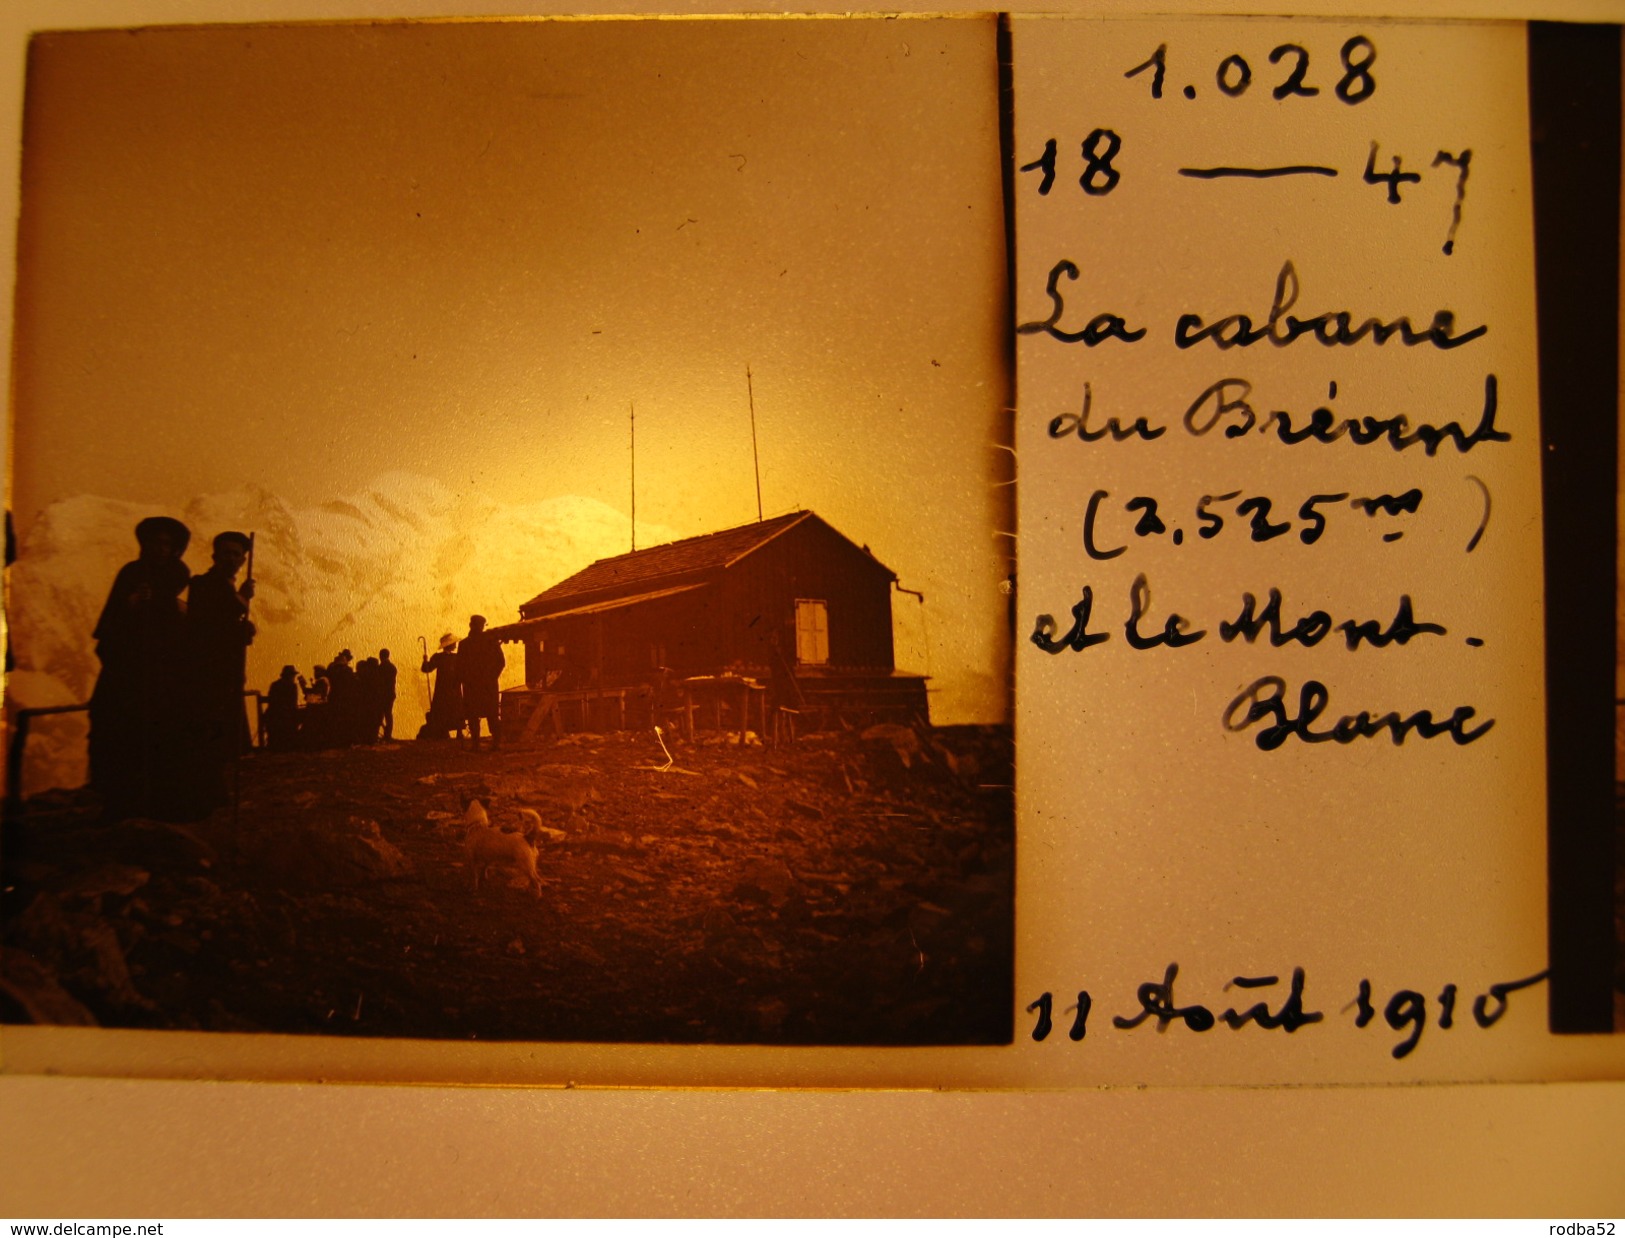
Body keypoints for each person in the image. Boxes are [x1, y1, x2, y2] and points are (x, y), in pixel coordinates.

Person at [87, 515, 192, 819]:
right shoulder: (131, 574)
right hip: (127, 674)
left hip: (162, 676)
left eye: (166, 544)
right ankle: (119, 801)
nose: (160, 549)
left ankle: (161, 800)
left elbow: (177, 626)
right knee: (120, 734)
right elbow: (111, 624)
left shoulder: (175, 579)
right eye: (155, 543)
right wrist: (130, 604)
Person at [186, 530, 256, 813]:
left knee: (221, 733)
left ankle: (214, 793)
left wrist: (242, 630)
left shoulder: (226, 587)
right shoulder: (204, 584)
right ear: (214, 556)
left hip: (226, 674)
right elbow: (211, 624)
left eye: (236, 554)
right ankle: (206, 796)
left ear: (242, 560)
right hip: (207, 674)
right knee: (211, 733)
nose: (230, 558)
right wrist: (241, 601)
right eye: (225, 553)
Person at [459, 614, 505, 750]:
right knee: (492, 714)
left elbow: (459, 666)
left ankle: (476, 744)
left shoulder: (464, 644)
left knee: (473, 715)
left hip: (471, 686)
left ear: (470, 625)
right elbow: (501, 662)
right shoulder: (492, 642)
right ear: (482, 625)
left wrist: (462, 680)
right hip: (488, 686)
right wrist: (492, 677)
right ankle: (496, 743)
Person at [420, 633, 462, 740]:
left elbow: (426, 669)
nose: (456, 644)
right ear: (450, 645)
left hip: (444, 689)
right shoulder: (456, 658)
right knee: (455, 708)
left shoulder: (439, 657)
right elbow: (426, 669)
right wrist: (425, 661)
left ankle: (448, 732)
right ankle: (456, 732)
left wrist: (425, 661)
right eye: (454, 643)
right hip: (452, 688)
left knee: (445, 709)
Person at [262, 665, 301, 752]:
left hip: (272, 717)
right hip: (285, 718)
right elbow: (292, 704)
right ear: (291, 676)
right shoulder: (292, 686)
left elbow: (271, 701)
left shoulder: (274, 685)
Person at [377, 648, 398, 741]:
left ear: (380, 656)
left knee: (380, 714)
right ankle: (388, 734)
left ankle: (377, 733)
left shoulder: (380, 668)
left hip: (382, 695)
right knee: (388, 714)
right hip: (390, 694)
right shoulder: (392, 667)